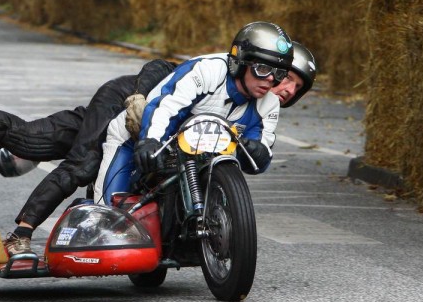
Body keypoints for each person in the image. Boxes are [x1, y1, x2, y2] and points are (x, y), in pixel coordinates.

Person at [0, 59, 179, 255]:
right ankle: (21, 234)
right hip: (122, 101)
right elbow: (161, 65)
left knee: (31, 140)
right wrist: (139, 97)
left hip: (121, 109)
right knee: (83, 165)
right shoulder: (213, 70)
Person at [94, 21, 295, 206]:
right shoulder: (207, 71)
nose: (270, 79)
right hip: (136, 138)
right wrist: (150, 140)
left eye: (279, 73)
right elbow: (166, 108)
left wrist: (255, 151)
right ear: (240, 61)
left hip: (194, 157)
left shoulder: (269, 104)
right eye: (262, 68)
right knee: (109, 212)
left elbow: (260, 159)